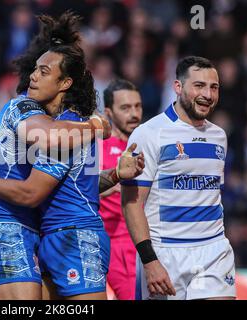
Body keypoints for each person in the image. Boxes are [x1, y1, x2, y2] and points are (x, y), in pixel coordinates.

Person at [0, 45, 145, 300]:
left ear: (65, 83)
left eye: (43, 72)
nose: (33, 76)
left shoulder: (69, 125)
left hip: (49, 235)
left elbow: (72, 186)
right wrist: (98, 125)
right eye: (35, 70)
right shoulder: (35, 115)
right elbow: (37, 181)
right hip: (15, 230)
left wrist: (114, 175)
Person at [122, 56, 236, 300]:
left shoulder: (219, 136)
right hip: (166, 253)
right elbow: (132, 203)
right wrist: (150, 261)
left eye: (214, 87)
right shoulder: (148, 134)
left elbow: (212, 195)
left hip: (213, 249)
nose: (208, 94)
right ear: (178, 87)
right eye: (199, 86)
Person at [99, 79, 143, 300]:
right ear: (108, 112)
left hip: (147, 240)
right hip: (113, 242)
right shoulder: (96, 148)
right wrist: (106, 186)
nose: (134, 113)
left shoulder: (150, 144)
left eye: (137, 106)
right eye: (125, 108)